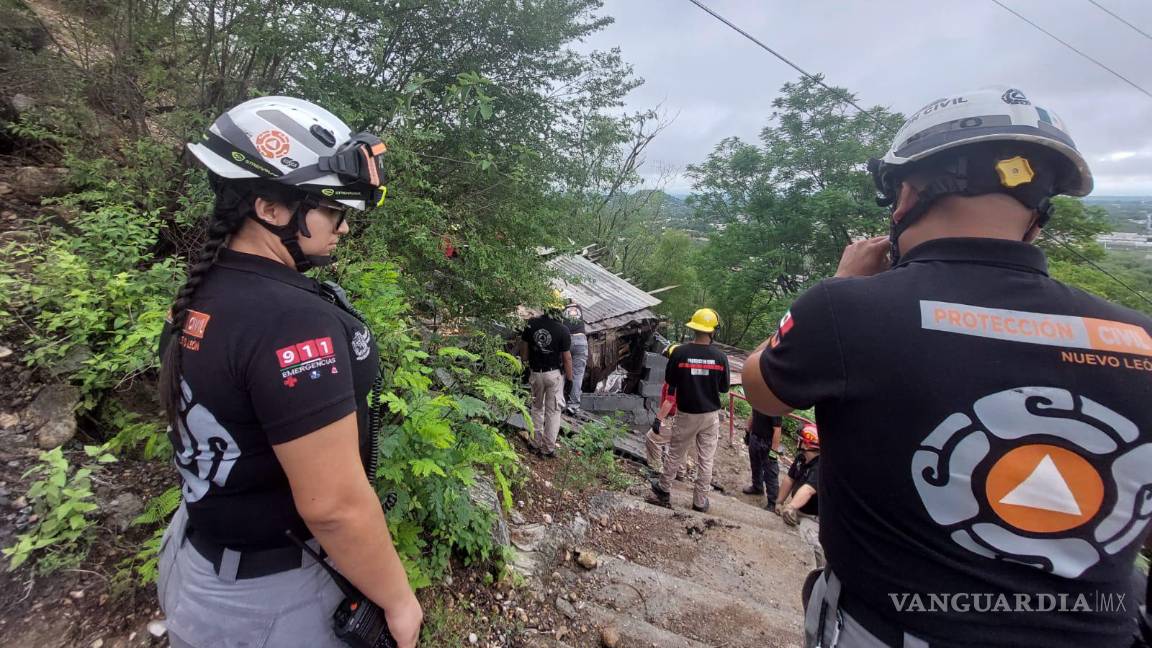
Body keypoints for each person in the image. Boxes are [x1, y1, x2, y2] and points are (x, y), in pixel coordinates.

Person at [742, 87, 1152, 647]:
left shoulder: (849, 309)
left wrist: (839, 286)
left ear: (908, 192)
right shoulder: (1140, 339)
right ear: (1037, 216)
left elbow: (762, 390)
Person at [156, 97, 421, 648]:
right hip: (269, 600)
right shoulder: (291, 322)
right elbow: (335, 508)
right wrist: (399, 600)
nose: (344, 228)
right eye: (333, 210)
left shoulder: (208, 288)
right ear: (271, 208)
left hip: (196, 560)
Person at [649, 308, 730, 512]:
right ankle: (700, 501)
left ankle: (664, 490)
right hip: (710, 415)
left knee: (676, 453)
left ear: (693, 327)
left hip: (686, 414)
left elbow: (670, 381)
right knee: (706, 459)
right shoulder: (720, 358)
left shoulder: (680, 353)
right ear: (712, 331)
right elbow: (723, 388)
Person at [520, 295, 573, 457]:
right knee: (553, 412)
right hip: (553, 374)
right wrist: (570, 380)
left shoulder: (531, 325)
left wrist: (525, 367)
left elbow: (524, 349)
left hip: (536, 373)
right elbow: (567, 358)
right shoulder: (563, 330)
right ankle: (548, 448)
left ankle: (535, 442)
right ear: (558, 310)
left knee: (537, 408)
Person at [743, 410, 784, 507]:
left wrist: (773, 452)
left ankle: (772, 502)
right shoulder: (759, 401)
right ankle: (757, 487)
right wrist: (748, 432)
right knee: (755, 465)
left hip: (768, 442)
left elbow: (777, 429)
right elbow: (753, 414)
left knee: (770, 473)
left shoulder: (774, 406)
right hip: (755, 437)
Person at [562, 301, 588, 413]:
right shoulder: (579, 308)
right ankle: (573, 405)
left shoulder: (559, 310)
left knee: (561, 371)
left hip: (566, 340)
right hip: (580, 340)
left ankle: (559, 401)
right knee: (577, 374)